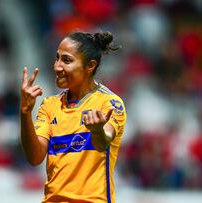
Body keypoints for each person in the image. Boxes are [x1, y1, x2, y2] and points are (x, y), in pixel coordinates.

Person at [20, 30, 127, 203]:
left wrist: (97, 130)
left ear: (90, 66)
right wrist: (25, 112)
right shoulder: (49, 105)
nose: (57, 66)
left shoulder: (110, 103)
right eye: (57, 58)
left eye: (67, 60)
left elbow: (103, 143)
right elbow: (35, 157)